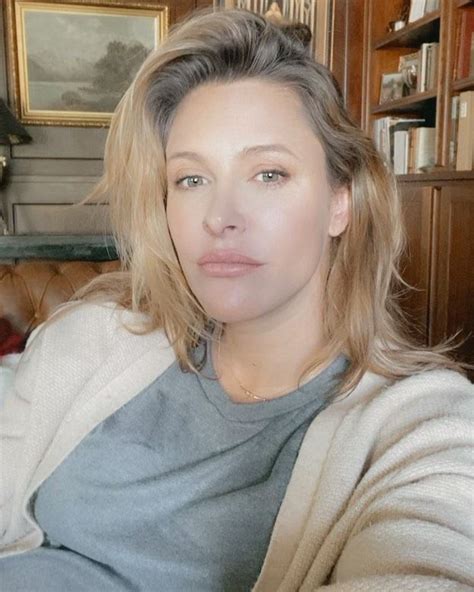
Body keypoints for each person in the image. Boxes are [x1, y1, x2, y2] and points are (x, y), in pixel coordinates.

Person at [1, 7, 473, 592]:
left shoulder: (418, 427)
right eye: (191, 179)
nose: (220, 218)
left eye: (268, 174)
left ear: (340, 202)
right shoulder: (91, 339)